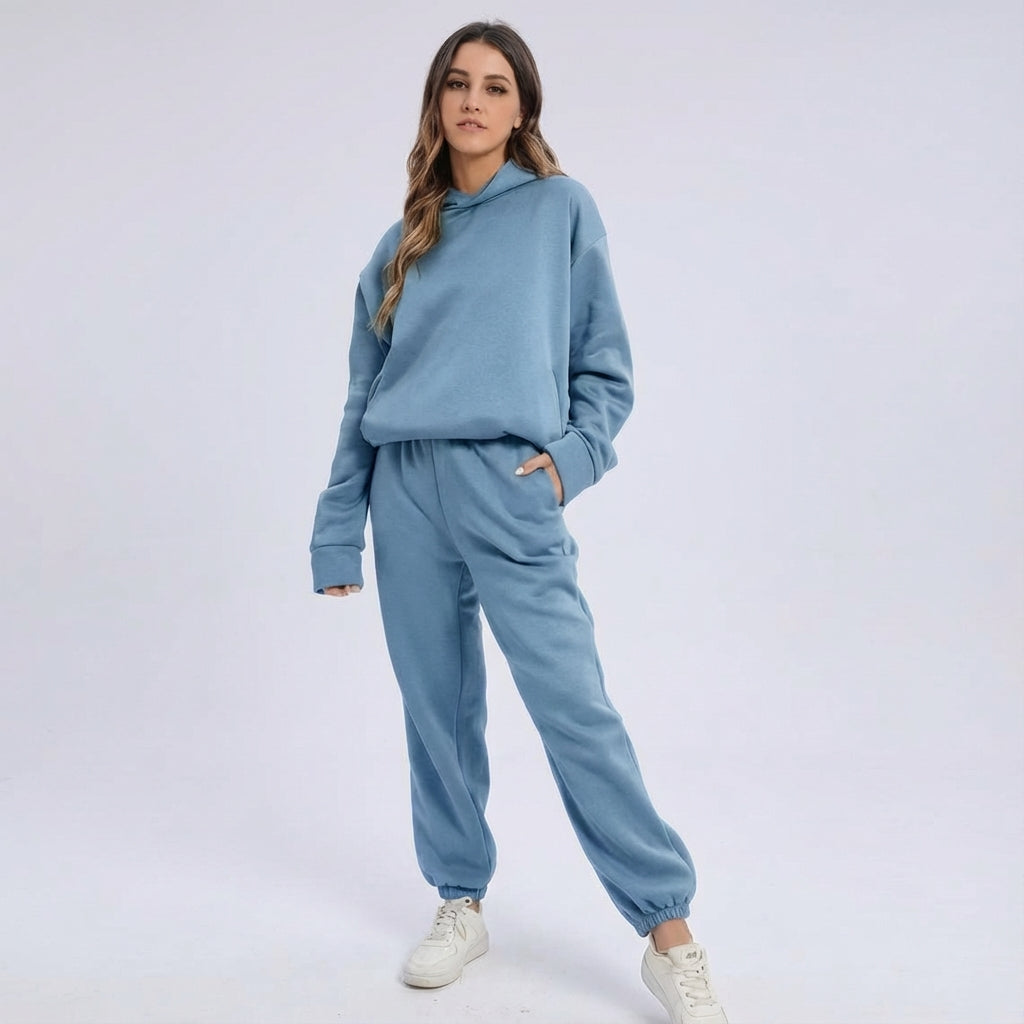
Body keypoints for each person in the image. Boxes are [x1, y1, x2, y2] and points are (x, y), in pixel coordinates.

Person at [310, 21, 728, 1024]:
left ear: (522, 109)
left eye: (495, 87)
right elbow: (363, 392)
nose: (473, 101)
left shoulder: (558, 210)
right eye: (457, 83)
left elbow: (605, 366)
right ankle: (460, 900)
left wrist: (569, 464)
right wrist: (337, 527)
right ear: (436, 102)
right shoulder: (402, 241)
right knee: (436, 708)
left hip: (509, 482)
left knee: (573, 706)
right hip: (405, 489)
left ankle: (669, 933)